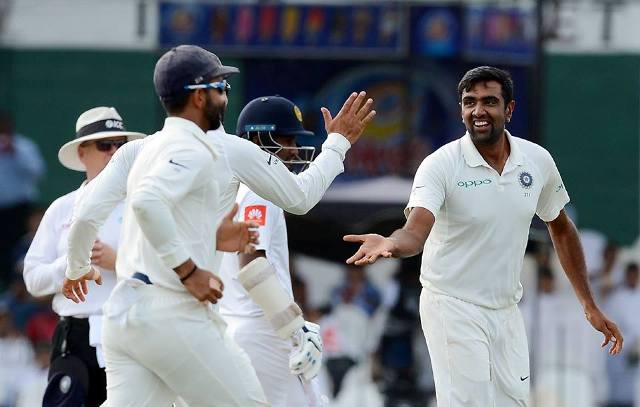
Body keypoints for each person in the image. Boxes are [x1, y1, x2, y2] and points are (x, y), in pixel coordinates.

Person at [62, 45, 373, 405]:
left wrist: (76, 266)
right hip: (174, 312)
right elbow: (300, 197)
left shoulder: (138, 149)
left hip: (122, 316)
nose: (225, 96)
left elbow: (85, 213)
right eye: (220, 87)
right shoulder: (222, 148)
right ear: (198, 97)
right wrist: (337, 145)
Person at [343, 66, 623, 406]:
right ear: (461, 110)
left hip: (506, 309)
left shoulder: (536, 161)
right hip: (451, 304)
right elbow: (415, 231)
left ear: (509, 109)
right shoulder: (440, 165)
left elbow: (561, 227)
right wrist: (391, 242)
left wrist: (588, 305)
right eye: (469, 102)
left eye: (489, 101)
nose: (478, 111)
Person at [21, 106, 144, 406]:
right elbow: (33, 279)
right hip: (75, 334)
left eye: (120, 145)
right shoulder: (62, 208)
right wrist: (73, 264)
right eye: (104, 145)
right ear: (82, 152)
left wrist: (118, 261)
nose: (113, 152)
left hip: (130, 329)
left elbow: (168, 271)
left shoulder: (141, 204)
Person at [219, 95, 330, 406]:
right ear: (257, 139)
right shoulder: (259, 192)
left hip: (240, 326)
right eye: (287, 139)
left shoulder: (230, 189)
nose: (294, 149)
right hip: (263, 330)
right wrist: (294, 327)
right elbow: (250, 262)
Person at [0, 110, 45, 288]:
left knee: (23, 250)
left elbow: (37, 172)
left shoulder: (24, 147)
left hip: (21, 208)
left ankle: (24, 288)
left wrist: (14, 152)